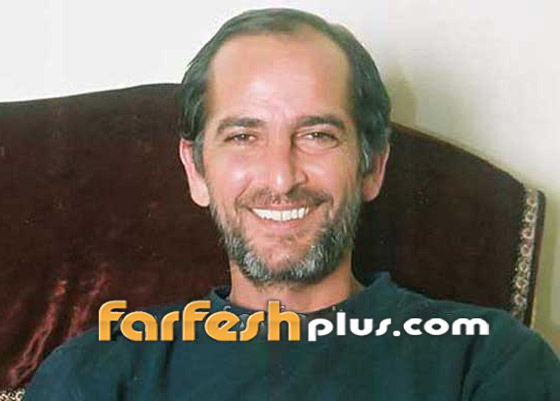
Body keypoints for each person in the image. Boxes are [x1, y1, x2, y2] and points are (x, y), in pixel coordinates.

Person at [25, 8, 559, 400]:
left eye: (317, 135)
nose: (281, 178)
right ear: (196, 170)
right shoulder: (97, 373)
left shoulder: (486, 361)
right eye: (243, 136)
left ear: (372, 167)